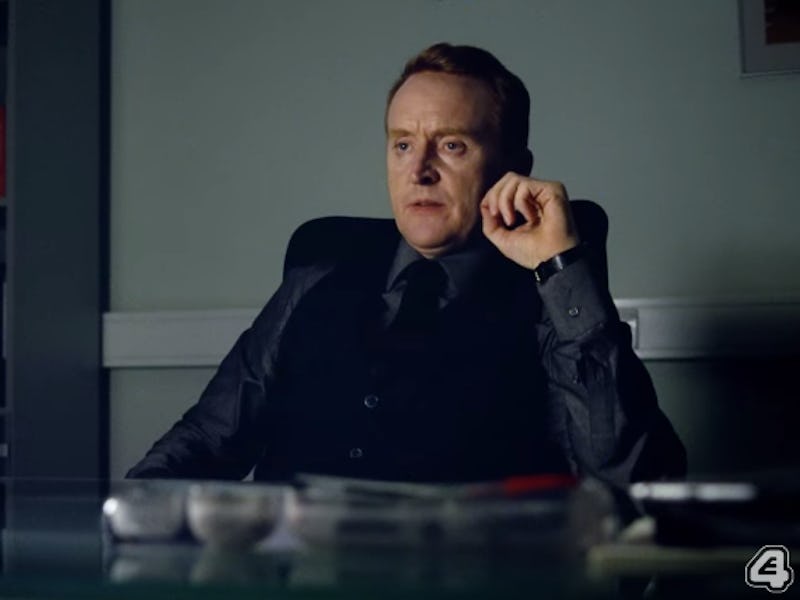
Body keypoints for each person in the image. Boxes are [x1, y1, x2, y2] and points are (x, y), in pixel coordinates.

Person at [128, 43, 686, 488]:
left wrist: (560, 269)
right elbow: (207, 438)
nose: (418, 170)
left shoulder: (549, 301)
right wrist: (131, 513)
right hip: (295, 571)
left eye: (452, 146)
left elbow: (629, 477)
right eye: (401, 145)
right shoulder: (316, 276)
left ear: (513, 167)